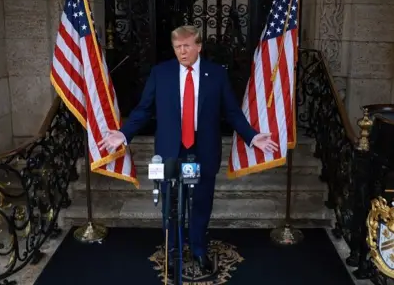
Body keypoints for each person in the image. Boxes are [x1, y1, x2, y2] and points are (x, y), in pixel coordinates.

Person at [98, 25, 277, 273]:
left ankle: (198, 250)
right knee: (171, 205)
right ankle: (173, 251)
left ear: (199, 46)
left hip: (203, 150)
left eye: (187, 46)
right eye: (177, 47)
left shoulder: (216, 74)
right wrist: (124, 133)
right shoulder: (161, 73)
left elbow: (232, 112)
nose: (182, 52)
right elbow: (144, 109)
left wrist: (252, 136)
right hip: (171, 150)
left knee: (201, 203)